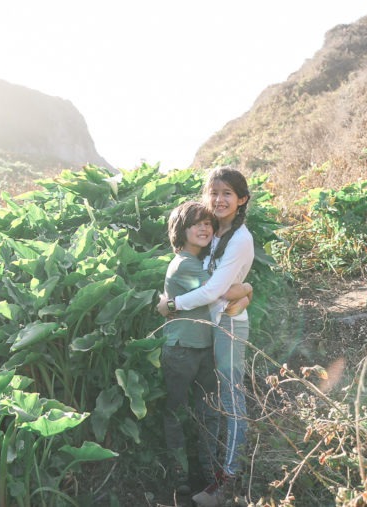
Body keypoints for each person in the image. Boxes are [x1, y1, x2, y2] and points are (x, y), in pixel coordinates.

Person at [158, 166, 254, 507]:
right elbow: (219, 285)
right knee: (218, 405)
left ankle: (227, 483)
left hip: (229, 326)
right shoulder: (215, 235)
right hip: (215, 327)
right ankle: (218, 475)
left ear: (241, 199)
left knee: (231, 403)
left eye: (228, 193)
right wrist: (244, 290)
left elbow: (214, 289)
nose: (219, 199)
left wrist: (171, 305)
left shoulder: (240, 238)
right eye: (214, 192)